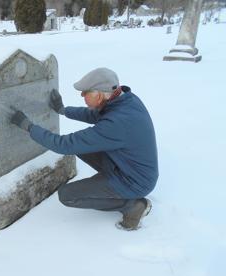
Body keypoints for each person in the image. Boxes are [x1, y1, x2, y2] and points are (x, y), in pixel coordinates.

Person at [10, 67, 158, 230]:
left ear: (100, 94)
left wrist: (29, 127)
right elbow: (94, 115)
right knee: (81, 147)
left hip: (135, 182)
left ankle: (132, 205)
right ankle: (110, 186)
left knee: (67, 195)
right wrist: (63, 110)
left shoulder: (116, 123)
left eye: (85, 92)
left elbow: (63, 145)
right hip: (129, 167)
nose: (82, 96)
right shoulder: (124, 100)